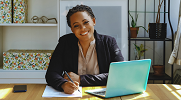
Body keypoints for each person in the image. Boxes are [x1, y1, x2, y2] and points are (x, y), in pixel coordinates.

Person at [45, 4, 124, 94]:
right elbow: (51, 73)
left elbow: (119, 74)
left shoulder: (109, 42)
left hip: (102, 94)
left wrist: (80, 79)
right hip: (73, 95)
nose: (82, 29)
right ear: (72, 29)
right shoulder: (65, 42)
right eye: (76, 26)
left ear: (93, 21)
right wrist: (63, 84)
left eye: (86, 22)